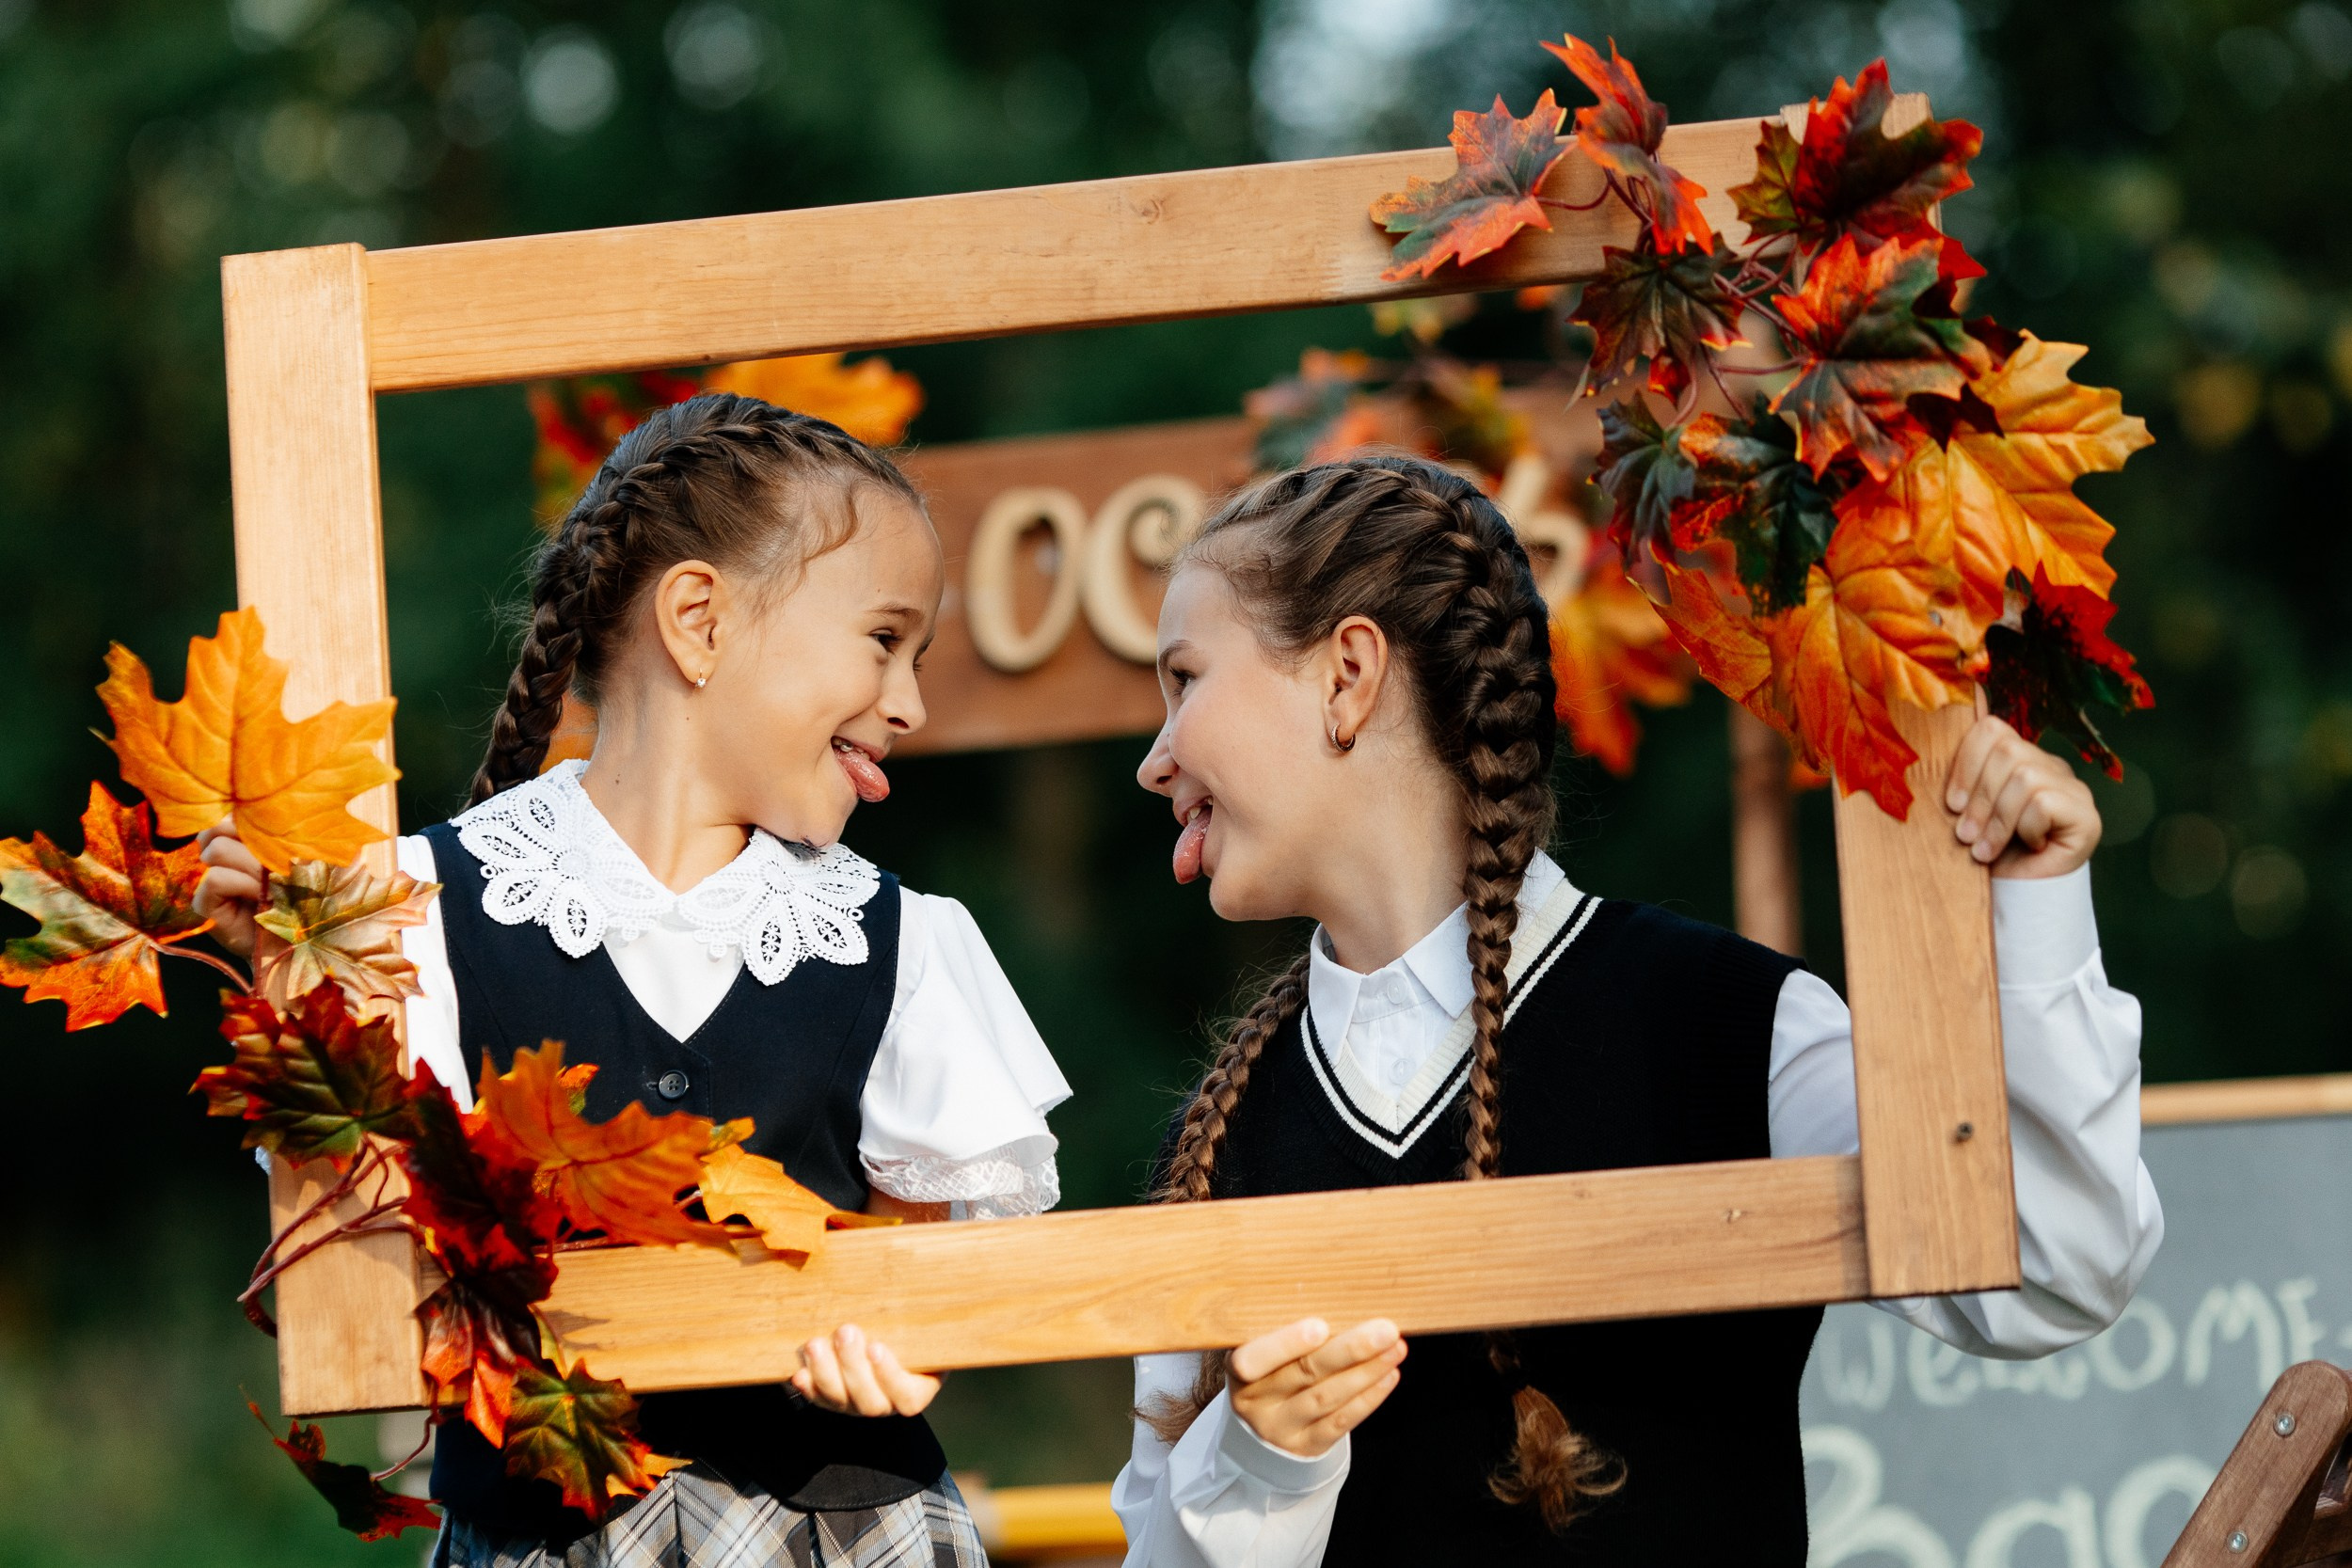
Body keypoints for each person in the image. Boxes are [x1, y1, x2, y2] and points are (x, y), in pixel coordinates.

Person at [1110, 453, 2159, 1567]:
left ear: (1348, 674)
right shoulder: (1215, 1140)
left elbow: (2055, 1270)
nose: (1154, 757)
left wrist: (2036, 918)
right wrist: (1261, 1459)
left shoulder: (1729, 1028)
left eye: (1184, 678)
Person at [196, 393, 1068, 1568]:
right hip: (544, 1531)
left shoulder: (898, 943)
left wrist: (900, 1349)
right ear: (699, 620)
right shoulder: (421, 908)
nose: (910, 700)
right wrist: (289, 985)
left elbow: (925, 1283)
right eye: (882, 640)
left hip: (839, 1532)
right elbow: (371, 1222)